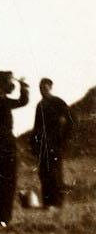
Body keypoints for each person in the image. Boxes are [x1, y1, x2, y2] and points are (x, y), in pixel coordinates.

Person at [0, 70, 29, 227]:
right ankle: (3, 218)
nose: (13, 85)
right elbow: (23, 101)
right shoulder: (1, 101)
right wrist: (24, 87)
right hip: (5, 147)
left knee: (0, 182)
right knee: (8, 182)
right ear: (4, 84)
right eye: (11, 82)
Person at [30, 78, 75, 208]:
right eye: (40, 88)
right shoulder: (40, 105)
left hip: (55, 144)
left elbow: (71, 121)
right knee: (44, 173)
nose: (42, 90)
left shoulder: (58, 102)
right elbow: (37, 126)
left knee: (55, 173)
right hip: (43, 145)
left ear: (50, 87)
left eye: (45, 87)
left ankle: (57, 203)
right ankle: (47, 203)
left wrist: (64, 139)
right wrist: (33, 144)